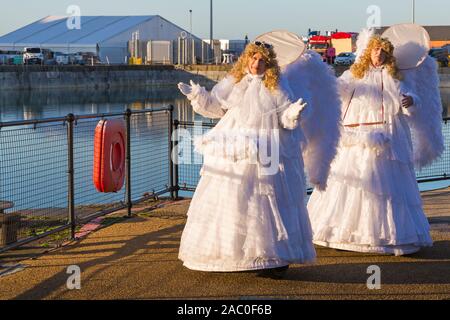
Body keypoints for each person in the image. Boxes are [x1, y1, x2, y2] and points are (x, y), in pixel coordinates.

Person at [176, 39, 317, 278]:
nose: (256, 63)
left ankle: (273, 257)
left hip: (266, 148)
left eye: (262, 60)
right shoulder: (234, 82)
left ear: (269, 64)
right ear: (247, 59)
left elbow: (284, 116)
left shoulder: (278, 86)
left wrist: (292, 114)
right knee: (234, 198)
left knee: (267, 200)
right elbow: (216, 107)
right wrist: (198, 96)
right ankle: (233, 253)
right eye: (253, 58)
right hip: (235, 145)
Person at [307, 30, 444, 256]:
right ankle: (344, 231)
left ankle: (385, 234)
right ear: (368, 52)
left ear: (387, 54)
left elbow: (410, 102)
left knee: (384, 182)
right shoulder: (354, 74)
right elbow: (337, 91)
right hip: (355, 134)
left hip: (388, 136)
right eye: (374, 49)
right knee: (352, 178)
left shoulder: (396, 77)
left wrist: (411, 101)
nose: (378, 54)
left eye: (381, 50)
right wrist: (321, 79)